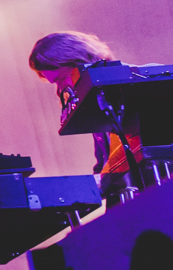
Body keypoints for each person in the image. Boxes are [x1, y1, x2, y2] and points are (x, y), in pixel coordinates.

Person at [29, 31, 144, 201]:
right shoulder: (95, 103)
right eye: (56, 83)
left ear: (81, 60)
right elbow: (104, 163)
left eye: (62, 78)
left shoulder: (140, 81)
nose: (61, 88)